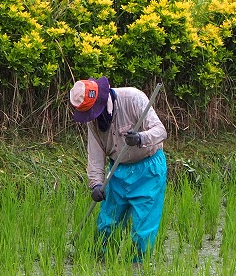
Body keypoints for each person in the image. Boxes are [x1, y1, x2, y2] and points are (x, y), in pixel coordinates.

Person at [69, 77, 168, 260]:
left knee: (142, 229)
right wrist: (96, 185)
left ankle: (136, 271)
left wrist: (140, 138)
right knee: (107, 225)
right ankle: (104, 264)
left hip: (148, 170)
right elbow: (96, 154)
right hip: (118, 170)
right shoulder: (93, 121)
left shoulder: (133, 98)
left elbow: (161, 131)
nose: (92, 117)